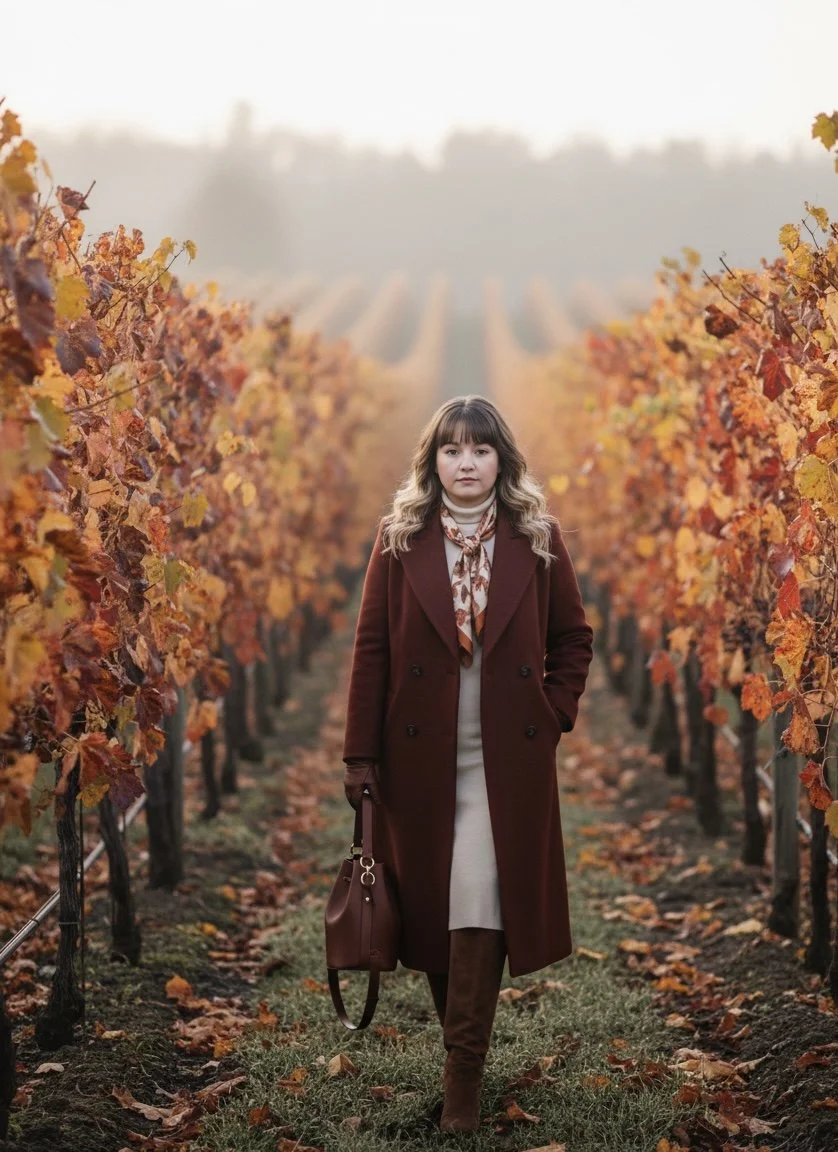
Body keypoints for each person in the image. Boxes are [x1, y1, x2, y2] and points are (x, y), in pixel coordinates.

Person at [342, 394, 593, 1132]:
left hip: (506, 759)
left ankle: (462, 1085)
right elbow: (370, 651)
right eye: (452, 449)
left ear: (501, 460)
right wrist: (359, 754)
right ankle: (463, 1055)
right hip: (419, 757)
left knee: (480, 896)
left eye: (480, 449)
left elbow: (573, 638)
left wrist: (553, 712)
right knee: (433, 906)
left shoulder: (537, 537)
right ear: (433, 461)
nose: (467, 463)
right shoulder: (399, 539)